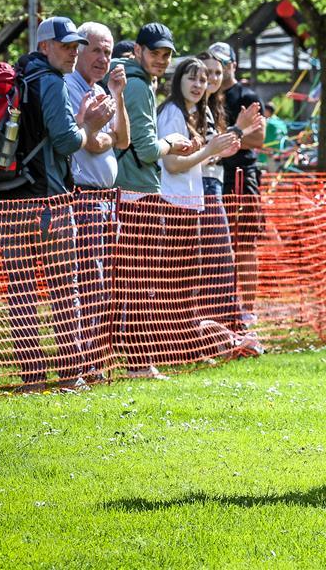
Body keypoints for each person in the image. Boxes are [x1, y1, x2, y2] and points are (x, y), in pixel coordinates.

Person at [0, 17, 115, 393]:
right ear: (45, 46)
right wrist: (90, 125)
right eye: (66, 46)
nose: (74, 52)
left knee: (22, 292)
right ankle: (69, 373)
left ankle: (31, 376)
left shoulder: (19, 77)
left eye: (77, 46)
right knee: (66, 288)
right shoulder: (51, 82)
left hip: (9, 200)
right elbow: (65, 142)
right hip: (49, 203)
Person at [113, 22, 196, 381]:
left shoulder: (136, 81)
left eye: (166, 55)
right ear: (138, 51)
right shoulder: (137, 85)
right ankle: (139, 363)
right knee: (138, 283)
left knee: (132, 282)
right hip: (137, 194)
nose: (161, 60)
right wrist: (173, 141)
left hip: (131, 192)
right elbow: (147, 150)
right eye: (155, 53)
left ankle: (133, 359)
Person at [157, 56, 247, 363]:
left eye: (202, 80)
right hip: (173, 205)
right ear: (178, 81)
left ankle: (187, 348)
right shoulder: (172, 113)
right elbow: (172, 164)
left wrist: (217, 152)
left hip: (191, 203)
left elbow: (194, 162)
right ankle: (172, 348)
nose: (198, 85)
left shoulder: (195, 112)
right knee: (176, 284)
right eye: (192, 79)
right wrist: (210, 150)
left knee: (189, 283)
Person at [66, 21, 129, 382]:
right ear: (79, 50)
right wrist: (100, 133)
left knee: (102, 284)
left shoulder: (101, 90)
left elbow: (122, 140)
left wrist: (117, 95)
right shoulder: (70, 87)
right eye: (96, 50)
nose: (103, 58)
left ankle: (92, 360)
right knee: (90, 282)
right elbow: (91, 142)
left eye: (108, 51)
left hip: (107, 199)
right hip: (85, 197)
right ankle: (82, 362)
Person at [195, 47, 262, 333]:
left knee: (245, 244)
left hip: (240, 175)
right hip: (208, 177)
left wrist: (225, 140)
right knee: (211, 248)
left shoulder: (245, 96)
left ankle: (248, 309)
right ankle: (216, 308)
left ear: (232, 65)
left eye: (220, 67)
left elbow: (257, 137)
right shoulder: (200, 99)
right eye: (209, 69)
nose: (214, 74)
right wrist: (228, 137)